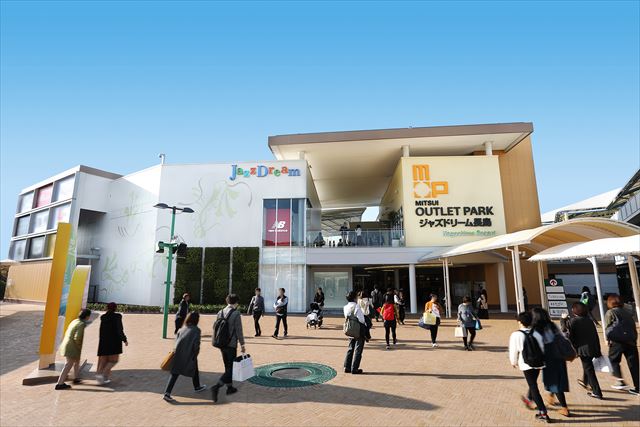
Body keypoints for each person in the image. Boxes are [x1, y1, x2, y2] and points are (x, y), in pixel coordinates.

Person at [509, 311, 550, 423]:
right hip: (538, 363)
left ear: (520, 322)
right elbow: (542, 347)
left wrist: (513, 362)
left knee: (533, 387)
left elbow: (513, 350)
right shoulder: (537, 332)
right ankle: (529, 398)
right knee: (533, 383)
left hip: (526, 364)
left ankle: (543, 412)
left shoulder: (516, 335)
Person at [531, 307, 571, 417]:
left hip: (549, 358)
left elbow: (539, 345)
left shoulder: (537, 329)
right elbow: (562, 336)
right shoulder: (552, 325)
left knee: (555, 383)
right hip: (559, 356)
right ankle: (551, 396)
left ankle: (564, 408)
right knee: (555, 379)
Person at [561, 302, 603, 399]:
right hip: (593, 348)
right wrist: (598, 350)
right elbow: (595, 335)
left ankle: (597, 392)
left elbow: (565, 332)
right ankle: (585, 382)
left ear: (574, 311)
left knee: (589, 369)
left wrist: (563, 319)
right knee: (588, 366)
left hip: (583, 350)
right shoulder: (589, 320)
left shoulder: (574, 321)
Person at [163, 312, 207, 402]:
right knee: (193, 367)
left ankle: (167, 393)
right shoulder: (196, 330)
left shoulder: (182, 329)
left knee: (175, 373)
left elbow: (176, 342)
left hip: (178, 354)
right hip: (189, 354)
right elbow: (196, 345)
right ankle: (197, 387)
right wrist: (195, 355)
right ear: (196, 320)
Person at [211, 294, 246, 403]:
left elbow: (214, 327)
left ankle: (229, 387)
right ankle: (217, 386)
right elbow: (239, 330)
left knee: (227, 366)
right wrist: (242, 344)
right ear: (236, 302)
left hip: (221, 343)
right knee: (232, 367)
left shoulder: (220, 312)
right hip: (231, 344)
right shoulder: (236, 313)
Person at [604, 294, 639, 395]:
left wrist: (608, 339)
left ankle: (620, 380)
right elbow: (633, 327)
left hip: (617, 342)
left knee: (612, 360)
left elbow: (608, 327)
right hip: (631, 342)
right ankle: (638, 387)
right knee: (634, 365)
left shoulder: (610, 312)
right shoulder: (627, 312)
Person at [55, 309, 92, 390]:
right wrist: (78, 347)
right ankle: (59, 383)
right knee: (68, 364)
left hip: (67, 344)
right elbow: (77, 338)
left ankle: (76, 378)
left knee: (76, 362)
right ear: (87, 316)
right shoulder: (81, 324)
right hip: (72, 347)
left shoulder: (75, 321)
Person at [96, 302, 128, 385]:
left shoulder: (103, 317)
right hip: (114, 341)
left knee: (104, 360)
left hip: (103, 341)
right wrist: (124, 339)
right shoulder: (117, 317)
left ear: (107, 308)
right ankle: (103, 374)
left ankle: (101, 377)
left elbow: (101, 330)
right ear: (115, 308)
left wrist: (102, 341)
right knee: (114, 361)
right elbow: (119, 329)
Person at [343, 290, 366, 374]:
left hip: (349, 329)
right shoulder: (356, 307)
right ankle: (354, 368)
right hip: (358, 330)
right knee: (358, 349)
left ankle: (347, 367)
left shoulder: (345, 307)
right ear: (354, 298)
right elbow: (361, 320)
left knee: (350, 348)